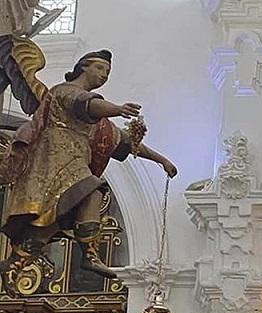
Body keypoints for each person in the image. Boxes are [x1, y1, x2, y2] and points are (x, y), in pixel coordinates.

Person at [0, 48, 177, 280]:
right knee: (89, 192)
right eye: (100, 68)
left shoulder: (96, 124)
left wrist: (162, 160)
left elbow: (121, 140)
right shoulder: (63, 92)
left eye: (108, 72)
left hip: (74, 164)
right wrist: (118, 109)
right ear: (83, 67)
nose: (104, 75)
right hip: (53, 161)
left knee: (54, 219)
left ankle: (17, 262)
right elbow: (85, 103)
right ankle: (88, 255)